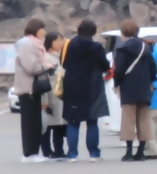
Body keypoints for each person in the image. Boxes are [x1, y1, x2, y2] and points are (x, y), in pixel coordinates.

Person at [59, 19, 110, 161]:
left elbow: (63, 63)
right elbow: (105, 66)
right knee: (92, 121)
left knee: (73, 121)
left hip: (72, 87)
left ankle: (72, 154)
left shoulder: (68, 45)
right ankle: (94, 154)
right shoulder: (97, 47)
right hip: (92, 88)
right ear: (93, 32)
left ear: (79, 30)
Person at [111, 20, 155, 162]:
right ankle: (141, 152)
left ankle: (129, 152)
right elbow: (153, 69)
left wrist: (117, 84)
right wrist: (149, 81)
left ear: (123, 33)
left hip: (128, 87)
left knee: (128, 119)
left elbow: (118, 70)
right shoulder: (146, 48)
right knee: (144, 119)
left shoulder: (122, 49)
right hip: (144, 88)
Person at [11, 17, 47, 162]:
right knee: (30, 123)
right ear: (37, 30)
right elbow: (31, 67)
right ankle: (29, 153)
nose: (44, 32)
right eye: (42, 29)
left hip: (32, 88)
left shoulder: (31, 44)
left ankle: (33, 153)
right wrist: (46, 66)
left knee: (35, 122)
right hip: (28, 88)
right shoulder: (27, 44)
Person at [41, 29, 68, 159]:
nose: (61, 42)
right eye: (59, 40)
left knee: (59, 122)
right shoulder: (45, 57)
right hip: (50, 92)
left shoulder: (60, 56)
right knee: (48, 123)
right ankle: (47, 151)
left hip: (60, 93)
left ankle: (59, 149)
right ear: (51, 42)